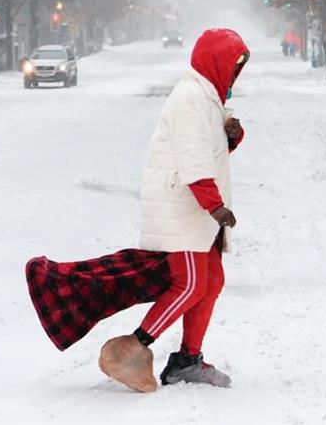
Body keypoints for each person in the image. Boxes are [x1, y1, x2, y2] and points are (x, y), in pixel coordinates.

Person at [25, 28, 249, 393]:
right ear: (215, 61)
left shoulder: (207, 98)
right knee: (190, 283)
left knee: (211, 281)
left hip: (195, 209)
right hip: (185, 208)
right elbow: (193, 161)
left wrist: (229, 137)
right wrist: (215, 205)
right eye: (233, 64)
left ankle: (187, 360)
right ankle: (132, 347)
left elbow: (206, 149)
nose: (235, 73)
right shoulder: (192, 97)